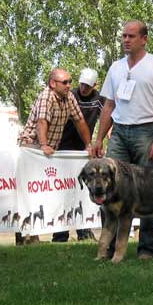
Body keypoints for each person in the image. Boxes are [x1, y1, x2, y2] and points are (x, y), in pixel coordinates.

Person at [92, 20, 153, 260]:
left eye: (131, 36)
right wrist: (99, 138)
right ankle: (107, 248)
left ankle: (147, 249)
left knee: (148, 190)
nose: (126, 40)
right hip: (119, 133)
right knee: (108, 187)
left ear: (144, 39)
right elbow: (109, 104)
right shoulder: (115, 68)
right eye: (124, 36)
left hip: (147, 131)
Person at [17, 68, 93, 245]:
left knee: (46, 191)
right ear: (53, 83)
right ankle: (26, 236)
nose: (69, 85)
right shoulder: (46, 96)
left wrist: (89, 144)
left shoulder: (69, 98)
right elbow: (41, 122)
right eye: (65, 82)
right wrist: (43, 145)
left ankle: (39, 235)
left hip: (49, 150)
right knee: (31, 192)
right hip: (32, 148)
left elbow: (80, 121)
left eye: (70, 81)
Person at [52, 68, 104, 243]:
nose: (83, 88)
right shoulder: (70, 95)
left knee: (83, 191)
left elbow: (106, 120)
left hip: (83, 152)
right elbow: (77, 120)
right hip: (63, 149)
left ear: (95, 85)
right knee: (62, 192)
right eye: (82, 84)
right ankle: (60, 233)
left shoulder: (99, 100)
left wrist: (97, 143)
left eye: (87, 86)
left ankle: (84, 231)